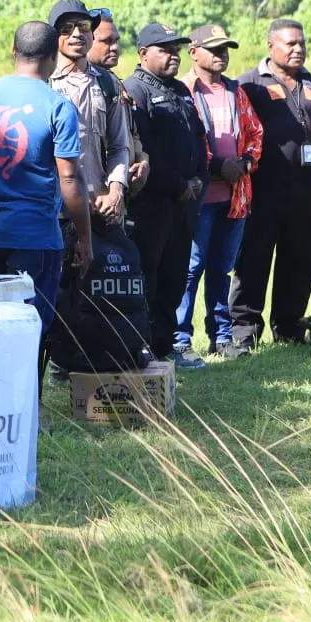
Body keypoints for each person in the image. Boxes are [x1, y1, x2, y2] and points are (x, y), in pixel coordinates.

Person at [0, 20, 92, 331]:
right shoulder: (59, 106)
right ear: (54, 55)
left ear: (13, 50)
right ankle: (28, 382)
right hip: (35, 233)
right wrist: (85, 237)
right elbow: (68, 179)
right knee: (31, 326)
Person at [229, 19, 311, 347]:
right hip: (262, 192)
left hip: (305, 192)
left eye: (301, 43)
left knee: (302, 262)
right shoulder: (248, 85)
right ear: (271, 47)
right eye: (290, 44)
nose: (298, 50)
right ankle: (243, 333)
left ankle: (289, 329)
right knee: (253, 263)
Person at [123, 24, 210, 366]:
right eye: (164, 49)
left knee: (175, 276)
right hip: (152, 204)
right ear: (143, 54)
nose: (173, 54)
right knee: (149, 276)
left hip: (184, 205)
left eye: (175, 48)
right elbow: (144, 150)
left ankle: (166, 344)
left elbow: (198, 138)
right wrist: (178, 185)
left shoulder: (181, 90)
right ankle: (143, 345)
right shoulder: (136, 91)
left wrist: (200, 177)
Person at [175, 25, 264, 361]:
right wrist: (215, 166)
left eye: (225, 48)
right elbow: (186, 141)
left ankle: (222, 337)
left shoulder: (235, 91)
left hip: (234, 198)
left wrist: (244, 162)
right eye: (213, 49)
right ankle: (180, 338)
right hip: (198, 199)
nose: (221, 55)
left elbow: (256, 133)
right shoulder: (184, 90)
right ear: (193, 52)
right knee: (190, 269)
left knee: (221, 268)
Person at [45, 0, 130, 228]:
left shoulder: (108, 83)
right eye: (66, 28)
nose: (76, 34)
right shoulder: (43, 83)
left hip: (102, 209)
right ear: (54, 37)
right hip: (56, 214)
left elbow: (120, 145)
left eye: (83, 26)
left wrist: (115, 190)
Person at [87, 10, 150, 195]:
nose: (115, 47)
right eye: (106, 41)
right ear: (87, 41)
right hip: (95, 196)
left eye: (116, 40)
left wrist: (142, 161)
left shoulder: (114, 83)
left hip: (121, 195)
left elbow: (131, 134)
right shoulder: (78, 86)